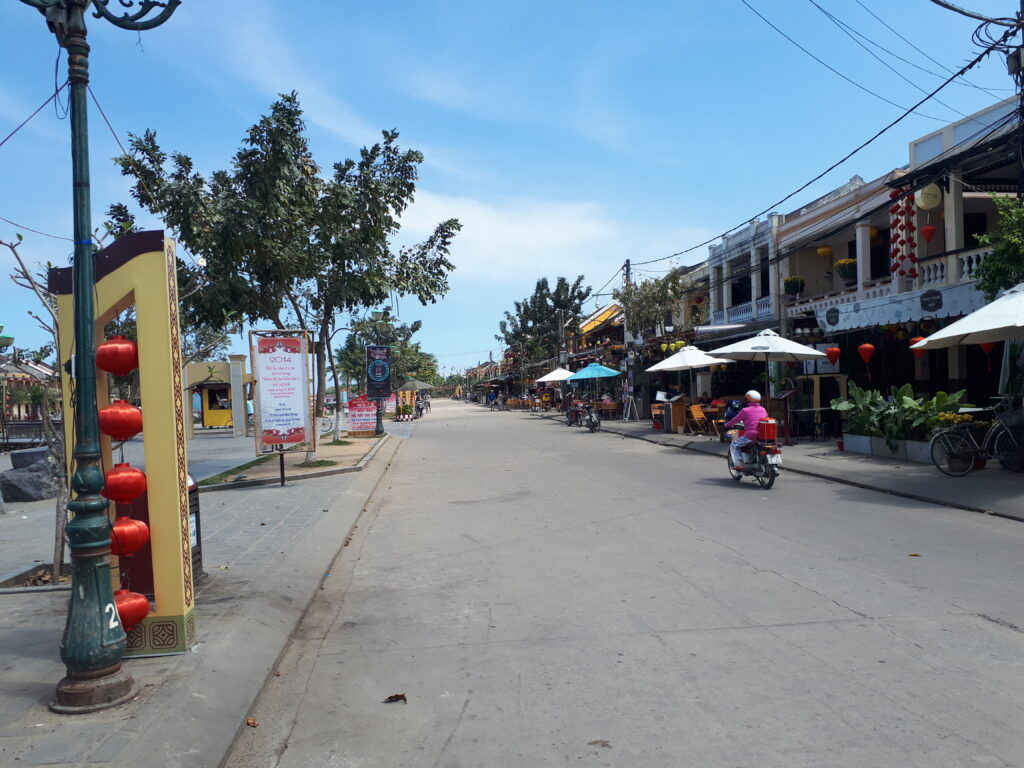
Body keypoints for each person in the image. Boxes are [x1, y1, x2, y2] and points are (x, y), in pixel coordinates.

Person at [722, 390, 768, 470]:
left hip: (750, 435)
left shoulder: (745, 411)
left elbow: (735, 420)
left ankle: (741, 464)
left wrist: (727, 425)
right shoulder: (763, 409)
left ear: (748, 400)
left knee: (736, 445)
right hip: (763, 435)